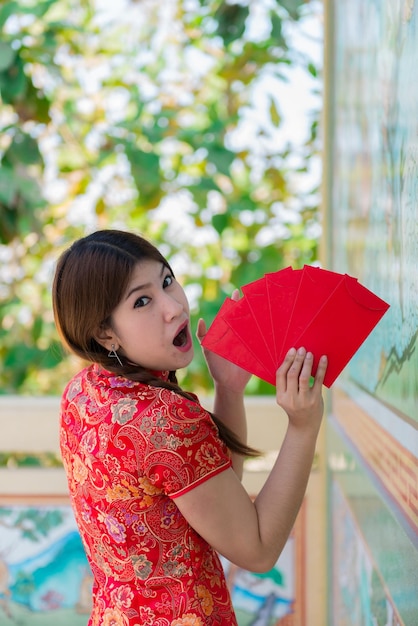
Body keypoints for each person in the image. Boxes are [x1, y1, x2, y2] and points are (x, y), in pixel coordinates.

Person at [52, 229, 327, 626]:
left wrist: (228, 391)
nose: (174, 307)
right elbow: (258, 550)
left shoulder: (83, 392)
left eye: (167, 281)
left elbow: (213, 498)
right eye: (142, 301)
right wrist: (303, 427)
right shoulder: (163, 418)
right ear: (104, 332)